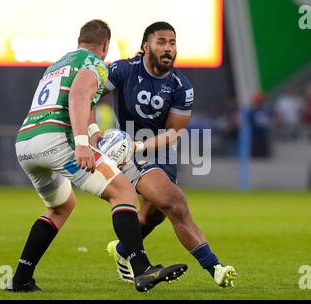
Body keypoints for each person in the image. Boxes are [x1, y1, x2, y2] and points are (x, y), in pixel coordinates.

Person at [10, 19, 187, 293]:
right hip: (59, 142)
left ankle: (21, 278)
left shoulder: (57, 65)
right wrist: (82, 143)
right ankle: (141, 269)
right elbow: (79, 94)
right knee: (124, 192)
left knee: (61, 206)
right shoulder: (95, 64)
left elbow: (70, 89)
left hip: (25, 143)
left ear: (80, 40)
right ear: (105, 46)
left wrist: (89, 133)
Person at [98, 21, 236, 288]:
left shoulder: (181, 86)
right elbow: (90, 94)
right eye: (161, 42)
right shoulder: (124, 69)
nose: (168, 48)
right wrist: (93, 132)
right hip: (132, 152)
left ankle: (123, 250)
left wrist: (142, 146)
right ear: (145, 46)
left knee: (152, 216)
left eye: (172, 43)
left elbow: (173, 134)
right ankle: (216, 268)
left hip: (158, 151)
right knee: (175, 203)